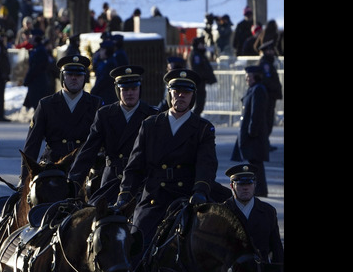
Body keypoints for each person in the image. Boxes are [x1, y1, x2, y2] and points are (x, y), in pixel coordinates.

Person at [114, 68, 218, 255]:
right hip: (154, 195)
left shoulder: (203, 128)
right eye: (176, 91)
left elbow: (207, 164)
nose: (180, 96)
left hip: (187, 196)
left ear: (193, 96)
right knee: (136, 244)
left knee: (208, 247)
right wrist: (125, 194)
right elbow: (135, 166)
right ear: (169, 93)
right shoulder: (150, 125)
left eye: (186, 92)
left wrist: (201, 190)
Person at [68, 65, 158, 206]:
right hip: (112, 179)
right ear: (118, 91)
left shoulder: (152, 115)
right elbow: (89, 151)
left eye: (134, 89)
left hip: (142, 179)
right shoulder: (105, 115)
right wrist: (73, 181)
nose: (130, 93)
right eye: (125, 90)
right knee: (94, 216)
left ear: (140, 90)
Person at [22, 54, 102, 166]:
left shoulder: (96, 104)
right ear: (62, 77)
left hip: (85, 165)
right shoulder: (46, 104)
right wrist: (25, 176)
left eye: (79, 75)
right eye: (69, 74)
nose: (74, 78)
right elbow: (32, 144)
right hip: (53, 165)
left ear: (85, 78)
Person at [229, 65, 270, 197]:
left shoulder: (258, 89)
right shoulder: (254, 89)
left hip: (254, 133)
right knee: (254, 161)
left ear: (256, 76)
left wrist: (252, 131)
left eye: (249, 76)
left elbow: (256, 113)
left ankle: (260, 190)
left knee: (256, 162)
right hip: (251, 132)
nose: (247, 79)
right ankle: (259, 189)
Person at [22, 29, 53, 112]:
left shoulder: (40, 51)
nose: (30, 38)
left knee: (39, 108)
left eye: (32, 36)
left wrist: (27, 79)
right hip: (36, 82)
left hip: (39, 83)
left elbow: (35, 68)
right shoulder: (37, 49)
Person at [187, 36, 218, 117]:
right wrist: (204, 76)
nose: (203, 46)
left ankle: (194, 120)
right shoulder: (196, 55)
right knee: (198, 105)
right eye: (202, 44)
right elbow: (197, 69)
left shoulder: (200, 54)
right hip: (198, 83)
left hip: (201, 83)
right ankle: (193, 121)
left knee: (200, 104)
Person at [90, 40, 119, 106]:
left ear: (107, 51)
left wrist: (93, 91)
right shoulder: (104, 62)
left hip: (107, 96)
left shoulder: (110, 63)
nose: (100, 52)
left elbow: (102, 81)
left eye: (102, 50)